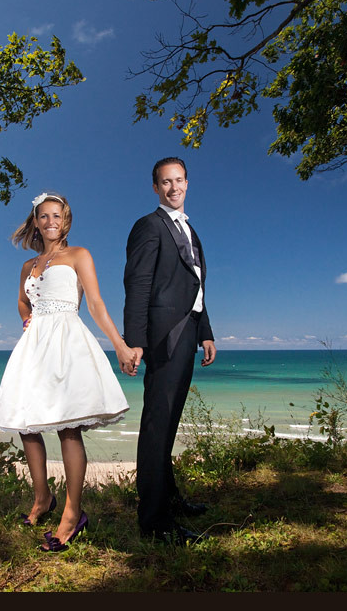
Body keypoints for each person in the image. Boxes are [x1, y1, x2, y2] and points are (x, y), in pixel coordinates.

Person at [0, 192, 136, 552]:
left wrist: (120, 345)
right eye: (43, 216)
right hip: (35, 347)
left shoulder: (79, 255)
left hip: (66, 343)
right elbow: (22, 301)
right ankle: (42, 498)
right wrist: (28, 320)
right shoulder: (28, 265)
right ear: (36, 222)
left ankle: (73, 514)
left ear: (66, 220)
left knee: (68, 429)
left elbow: (96, 304)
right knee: (27, 424)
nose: (50, 221)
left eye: (56, 215)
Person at [123, 156, 216, 545]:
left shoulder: (190, 231)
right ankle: (155, 522)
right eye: (166, 182)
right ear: (156, 187)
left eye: (179, 180)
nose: (173, 187)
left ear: (187, 183)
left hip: (188, 333)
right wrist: (134, 341)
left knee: (170, 423)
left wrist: (206, 331)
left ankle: (169, 498)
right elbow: (138, 284)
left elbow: (195, 286)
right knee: (157, 426)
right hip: (162, 338)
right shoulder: (150, 226)